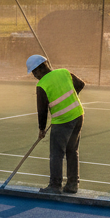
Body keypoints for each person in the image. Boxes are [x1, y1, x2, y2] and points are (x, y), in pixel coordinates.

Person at [26, 54, 85, 194]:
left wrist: (41, 129)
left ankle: (55, 186)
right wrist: (70, 98)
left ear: (40, 69)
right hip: (78, 115)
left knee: (56, 154)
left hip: (62, 121)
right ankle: (72, 184)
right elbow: (81, 85)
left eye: (34, 72)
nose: (35, 76)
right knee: (72, 151)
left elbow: (42, 110)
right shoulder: (64, 72)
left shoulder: (42, 85)